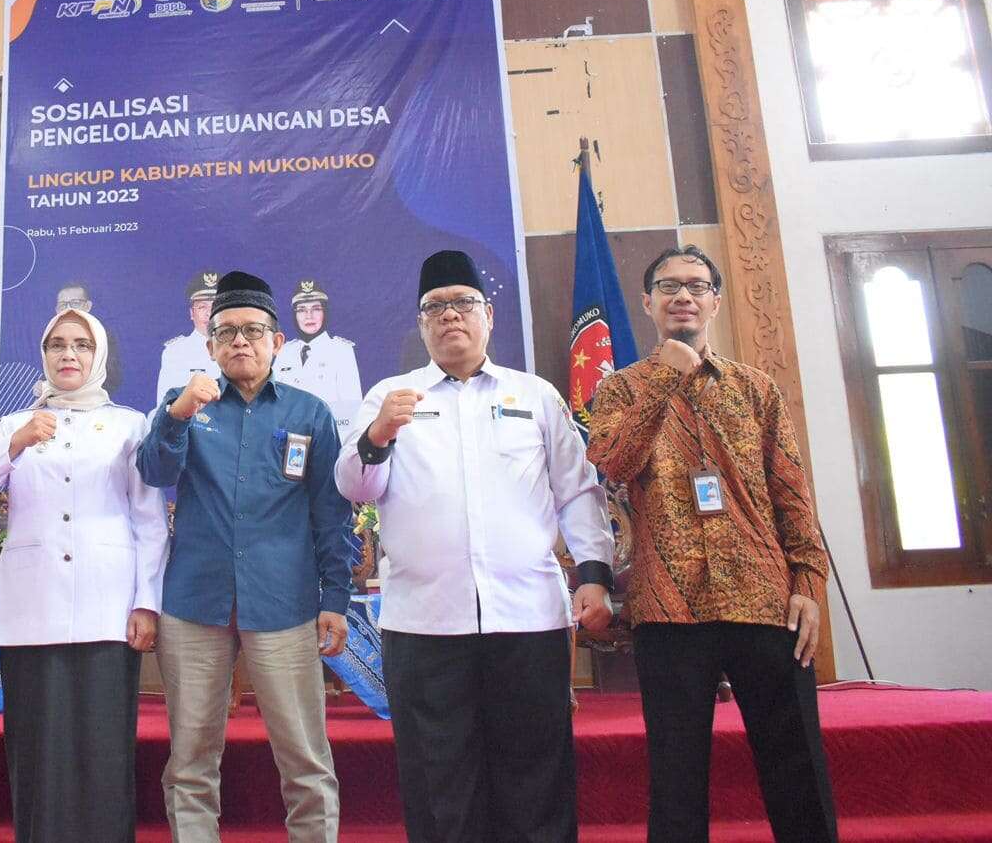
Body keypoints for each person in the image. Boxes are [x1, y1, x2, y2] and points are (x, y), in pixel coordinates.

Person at [334, 249, 614, 843]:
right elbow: (355, 487)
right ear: (421, 325)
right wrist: (379, 434)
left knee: (536, 779)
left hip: (527, 618)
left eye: (463, 303)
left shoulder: (535, 396)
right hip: (425, 624)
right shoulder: (391, 396)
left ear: (488, 315)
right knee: (441, 786)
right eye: (434, 307)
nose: (449, 315)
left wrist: (593, 573)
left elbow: (577, 491)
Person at [587, 245, 837, 843]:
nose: (683, 296)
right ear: (648, 302)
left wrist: (808, 583)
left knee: (797, 768)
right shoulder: (620, 390)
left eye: (697, 286)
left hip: (765, 600)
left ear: (716, 302)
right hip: (670, 610)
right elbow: (613, 462)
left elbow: (792, 493)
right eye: (669, 286)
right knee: (676, 781)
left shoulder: (756, 389)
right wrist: (667, 376)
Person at [138, 270, 353, 843]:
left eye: (253, 331)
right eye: (226, 332)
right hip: (195, 604)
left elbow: (331, 514)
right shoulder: (187, 404)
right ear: (209, 347)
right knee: (190, 762)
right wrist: (177, 415)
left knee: (305, 760)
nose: (239, 341)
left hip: (284, 603)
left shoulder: (309, 414)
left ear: (276, 342)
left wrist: (335, 598)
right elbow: (154, 472)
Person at [0, 307, 169, 842]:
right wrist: (16, 444)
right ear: (44, 354)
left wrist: (147, 601)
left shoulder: (130, 424)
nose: (68, 354)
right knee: (38, 750)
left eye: (81, 345)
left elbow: (149, 520)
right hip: (33, 608)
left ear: (99, 355)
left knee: (103, 749)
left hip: (107, 607)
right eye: (57, 345)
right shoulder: (14, 424)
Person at [274, 279, 362, 430]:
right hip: (285, 438)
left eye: (316, 309)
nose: (309, 316)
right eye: (301, 310)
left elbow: (351, 413)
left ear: (325, 312)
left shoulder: (341, 351)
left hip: (326, 437)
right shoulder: (283, 352)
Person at [155, 271, 221, 402]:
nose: (209, 313)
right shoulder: (175, 352)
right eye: (202, 307)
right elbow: (164, 407)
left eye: (215, 306)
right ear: (192, 313)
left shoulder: (240, 348)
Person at [55, 282, 123, 392]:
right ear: (57, 310)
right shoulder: (53, 338)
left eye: (75, 303)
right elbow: (51, 371)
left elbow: (113, 377)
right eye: (63, 305)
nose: (69, 309)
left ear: (87, 306)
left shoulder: (102, 336)